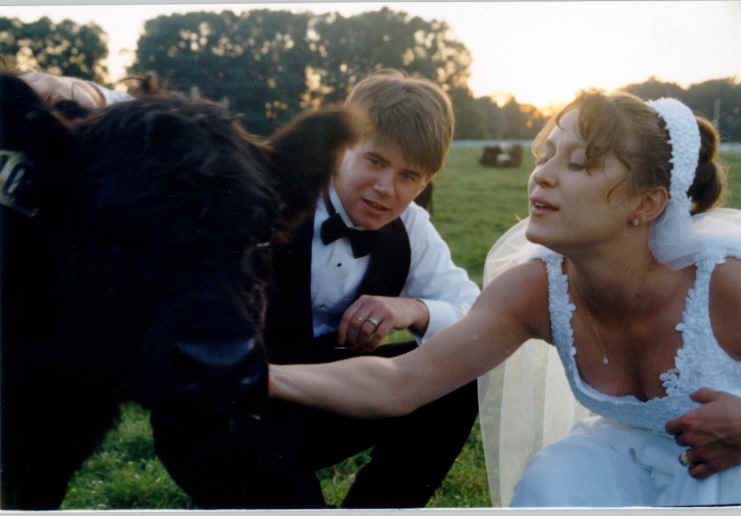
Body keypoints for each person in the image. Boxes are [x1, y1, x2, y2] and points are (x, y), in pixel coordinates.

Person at [270, 89, 741, 506]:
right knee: (557, 485)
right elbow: (400, 381)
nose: (542, 176)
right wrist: (255, 376)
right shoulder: (532, 288)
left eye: (576, 163)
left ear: (648, 204)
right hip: (616, 471)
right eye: (546, 155)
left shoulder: (725, 280)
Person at [149, 69, 481, 508]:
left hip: (314, 403)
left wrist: (413, 310)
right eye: (375, 161)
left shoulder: (411, 226)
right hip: (219, 410)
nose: (387, 188)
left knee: (458, 376)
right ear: (339, 148)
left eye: (410, 176)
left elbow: (478, 318)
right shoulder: (261, 195)